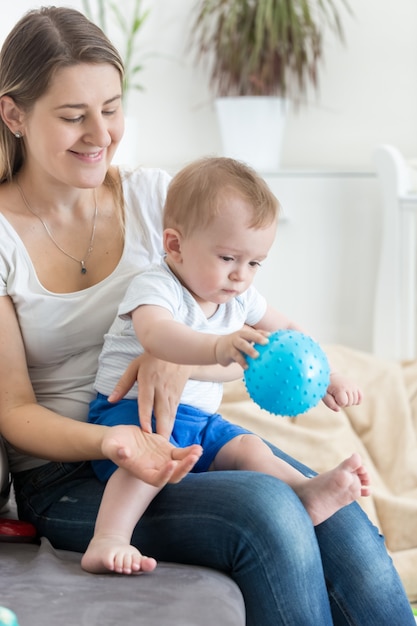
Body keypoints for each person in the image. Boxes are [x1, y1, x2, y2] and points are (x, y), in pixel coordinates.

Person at [0, 6, 413, 625]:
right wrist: (115, 438)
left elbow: (219, 287)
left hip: (183, 433)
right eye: (72, 115)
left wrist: (170, 350)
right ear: (13, 114)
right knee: (272, 514)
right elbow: (13, 411)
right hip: (73, 471)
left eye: (111, 108)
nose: (100, 133)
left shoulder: (149, 197)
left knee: (346, 520)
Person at [82, 156, 370, 575]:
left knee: (249, 446)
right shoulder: (156, 285)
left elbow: (287, 330)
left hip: (199, 420)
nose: (241, 276)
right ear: (176, 245)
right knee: (151, 460)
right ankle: (107, 538)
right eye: (229, 258)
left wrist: (327, 373)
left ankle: (304, 493)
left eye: (254, 263)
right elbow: (157, 336)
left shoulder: (238, 297)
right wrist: (217, 347)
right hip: (131, 417)